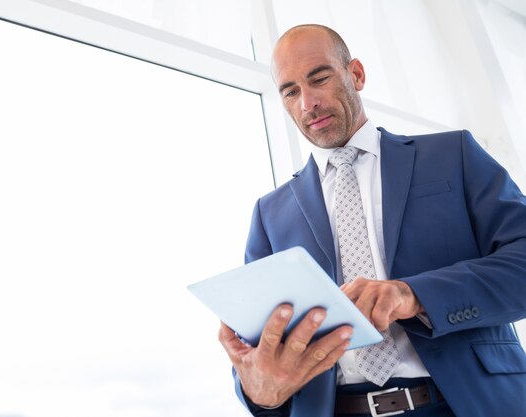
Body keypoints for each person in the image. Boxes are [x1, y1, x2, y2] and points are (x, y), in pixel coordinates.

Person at [218, 24, 526, 417]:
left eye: (320, 78)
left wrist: (413, 294)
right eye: (291, 92)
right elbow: (261, 343)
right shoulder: (269, 213)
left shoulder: (453, 155)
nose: (307, 103)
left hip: (465, 404)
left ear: (356, 74)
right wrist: (258, 391)